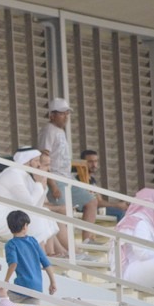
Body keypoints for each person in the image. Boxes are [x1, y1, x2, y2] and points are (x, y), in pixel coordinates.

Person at [0, 147, 64, 255]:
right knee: (40, 216)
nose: (39, 165)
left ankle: (50, 253)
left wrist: (42, 185)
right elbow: (30, 204)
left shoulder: (24, 175)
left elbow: (37, 205)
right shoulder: (13, 174)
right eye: (36, 161)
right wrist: (39, 184)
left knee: (44, 212)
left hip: (9, 215)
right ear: (28, 161)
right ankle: (43, 256)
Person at [37, 98, 99, 243]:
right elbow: (44, 159)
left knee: (91, 202)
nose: (65, 117)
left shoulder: (61, 131)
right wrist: (52, 184)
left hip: (68, 179)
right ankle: (65, 248)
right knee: (63, 214)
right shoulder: (48, 130)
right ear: (52, 115)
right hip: (56, 179)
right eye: (61, 113)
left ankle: (87, 240)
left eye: (67, 113)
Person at [4, 210, 57, 304]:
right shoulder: (33, 241)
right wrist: (53, 282)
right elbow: (46, 263)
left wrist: (6, 281)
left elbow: (13, 264)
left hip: (21, 286)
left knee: (5, 302)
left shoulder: (11, 244)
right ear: (25, 226)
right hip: (37, 288)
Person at [79, 150, 127, 220]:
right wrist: (116, 205)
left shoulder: (92, 180)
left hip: (96, 208)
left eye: (96, 161)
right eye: (90, 162)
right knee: (120, 212)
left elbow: (99, 200)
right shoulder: (79, 180)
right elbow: (94, 202)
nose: (94, 165)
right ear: (82, 163)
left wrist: (118, 205)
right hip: (86, 209)